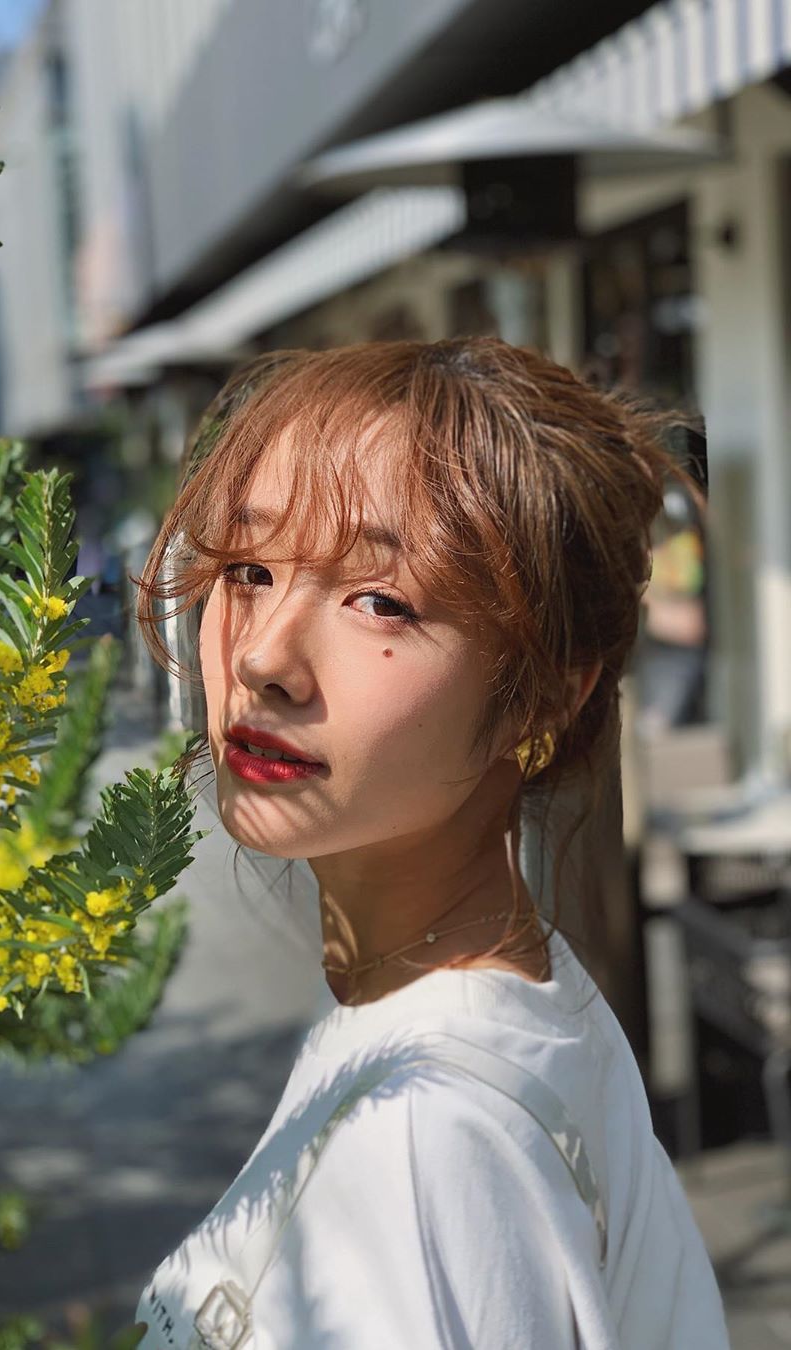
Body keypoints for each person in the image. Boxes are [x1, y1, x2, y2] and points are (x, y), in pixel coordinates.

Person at [127, 338, 730, 1348]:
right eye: (249, 569)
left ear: (544, 694)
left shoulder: (423, 1131)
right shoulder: (518, 1005)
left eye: (381, 601)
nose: (265, 654)